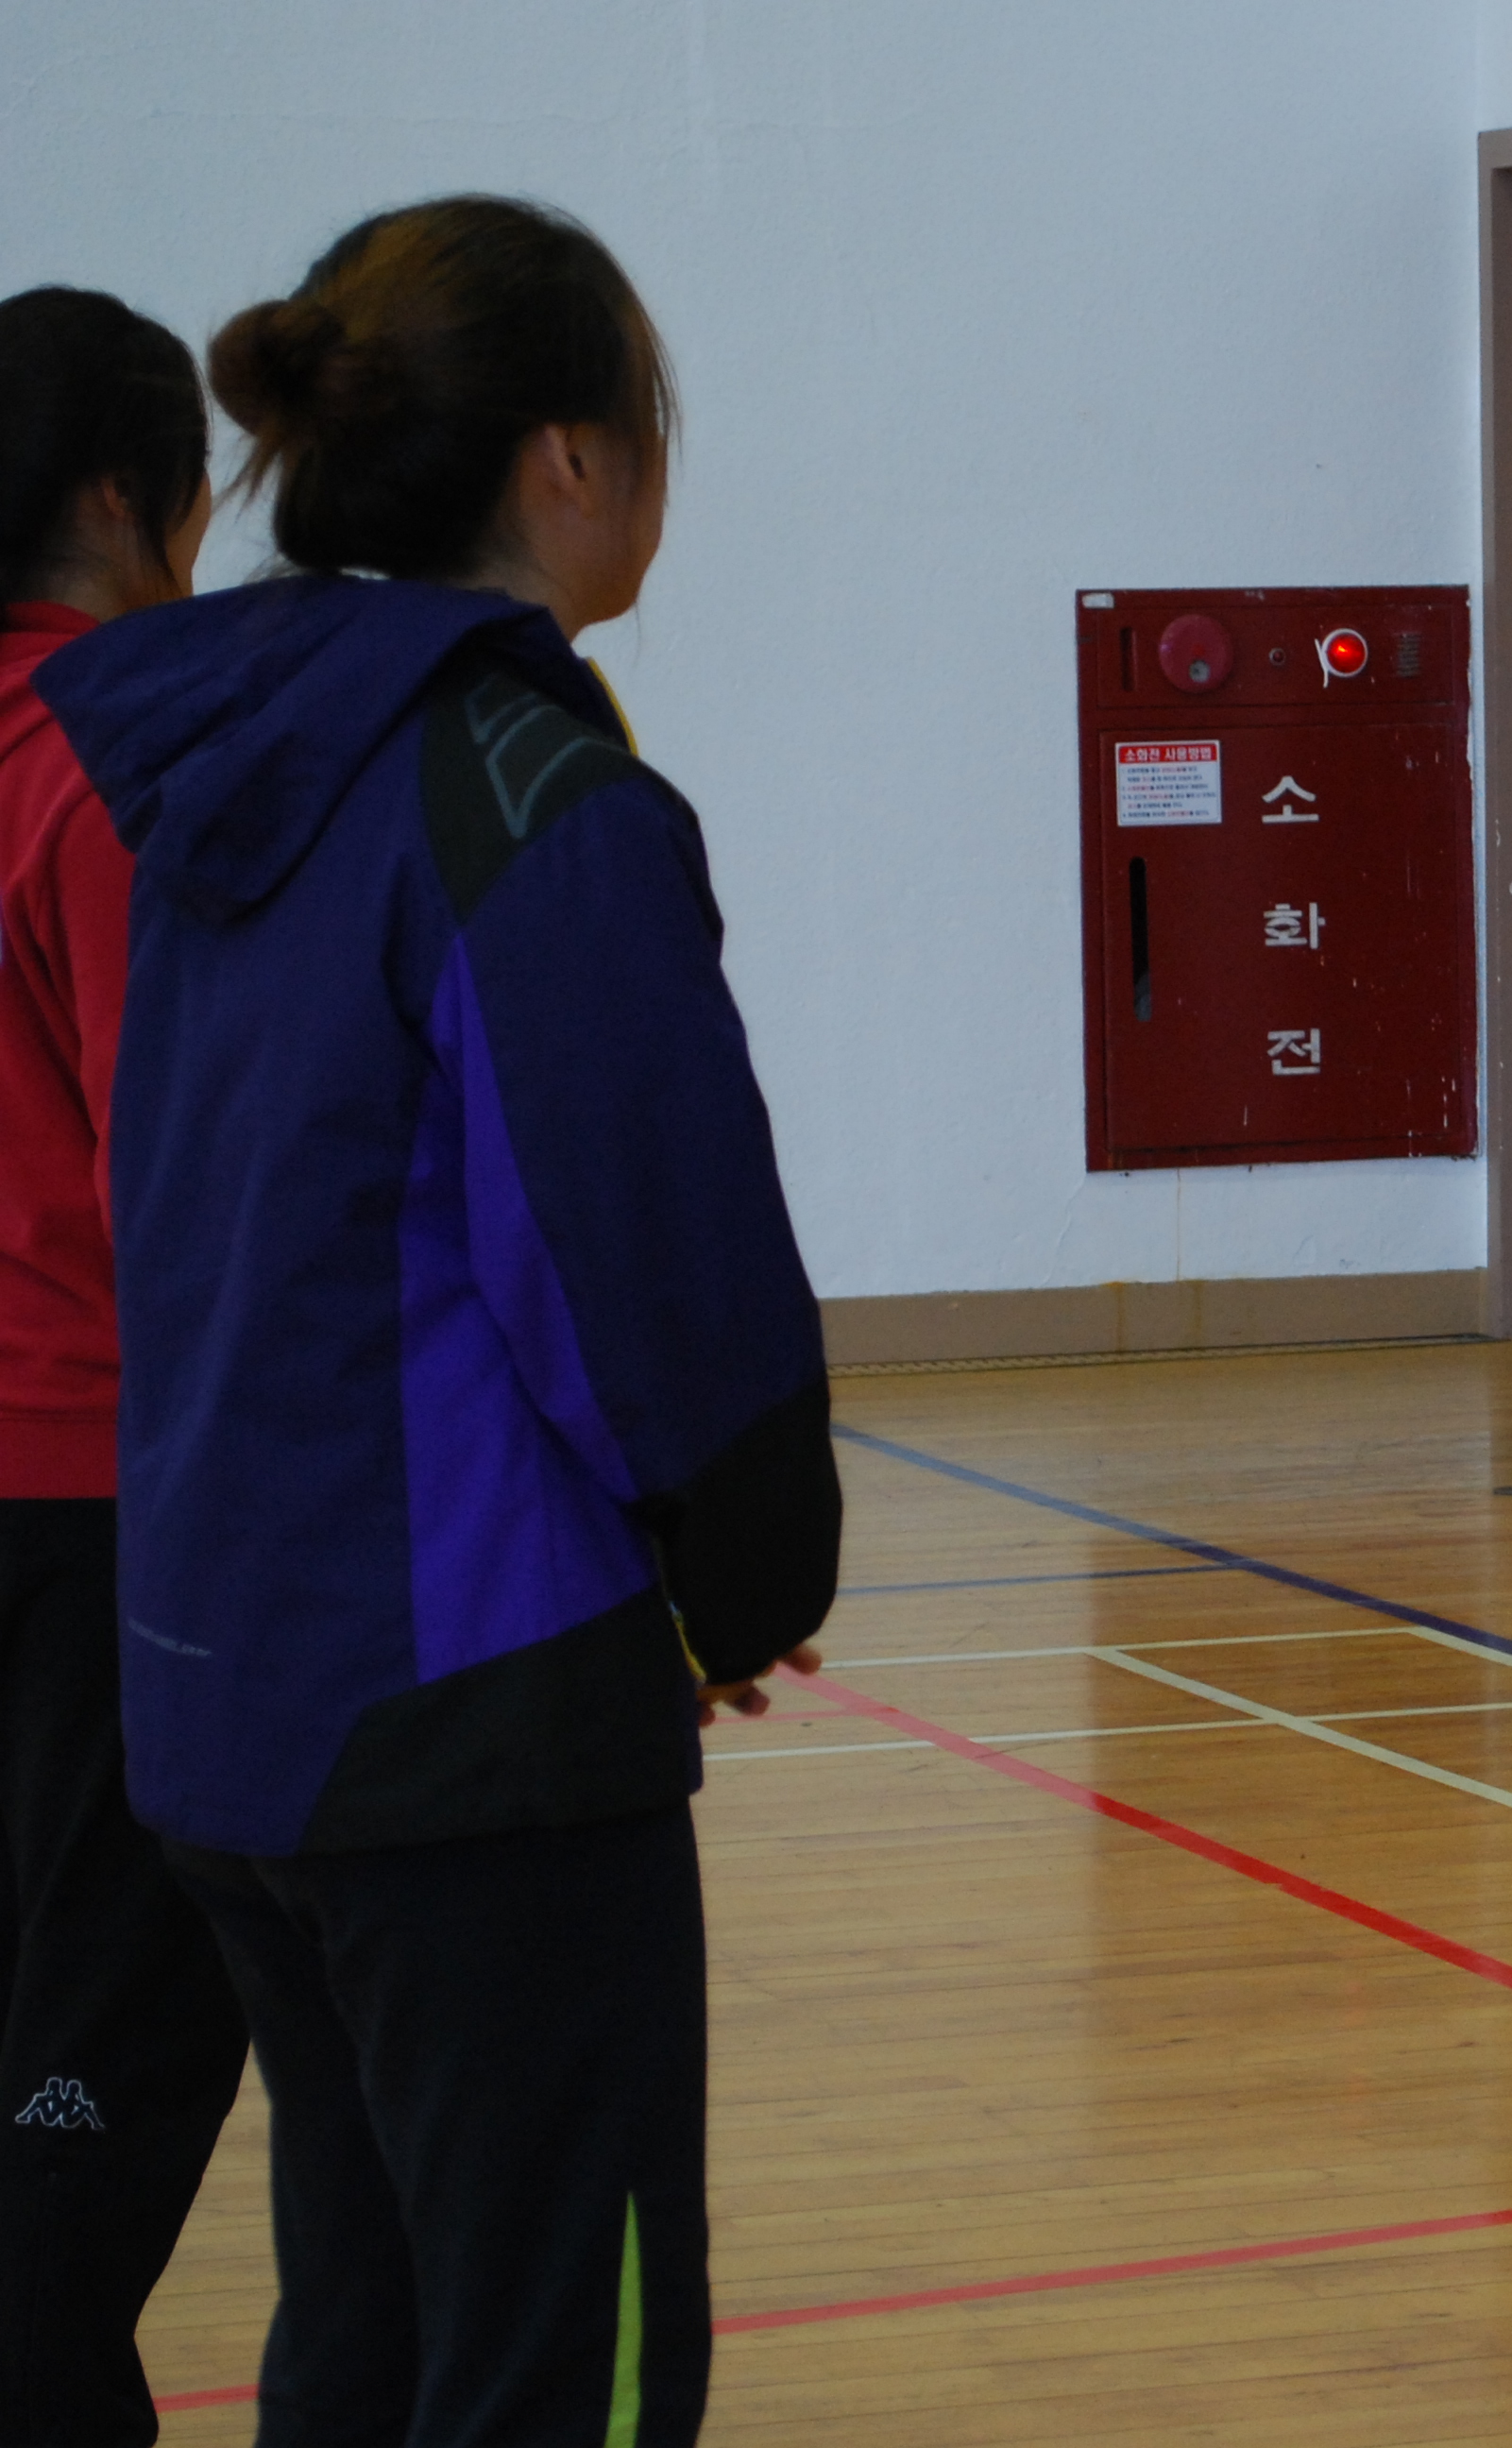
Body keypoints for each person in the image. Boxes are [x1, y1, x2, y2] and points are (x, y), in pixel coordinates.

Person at [33, 198, 837, 2443]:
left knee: (372, 2333)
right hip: (469, 1722)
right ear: (570, 459)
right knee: (551, 2367)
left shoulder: (223, 761)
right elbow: (637, 1267)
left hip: (232, 1693)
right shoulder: (525, 800)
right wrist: (745, 1573)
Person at [0, 284, 248, 2448]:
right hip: (84, 1492)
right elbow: (178, 1172)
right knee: (109, 2029)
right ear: (122, 499)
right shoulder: (105, 759)